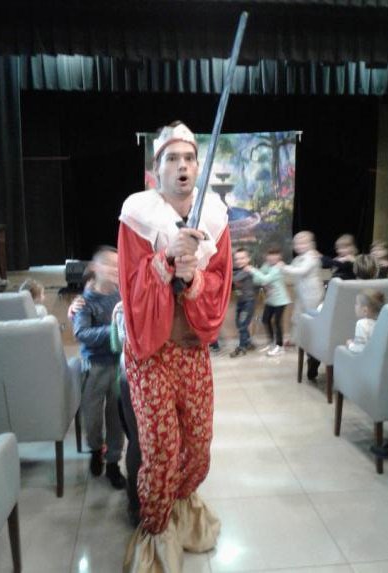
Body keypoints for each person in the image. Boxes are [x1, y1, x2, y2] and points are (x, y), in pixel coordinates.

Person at [118, 121, 232, 572]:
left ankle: (182, 512)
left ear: (198, 168)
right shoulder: (138, 216)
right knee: (161, 452)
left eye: (189, 158)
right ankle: (157, 529)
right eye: (172, 158)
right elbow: (132, 288)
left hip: (191, 350)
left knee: (198, 447)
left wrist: (195, 278)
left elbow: (220, 284)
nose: (181, 166)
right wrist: (165, 260)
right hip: (150, 355)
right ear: (156, 170)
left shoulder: (215, 218)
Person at [72, 246, 126, 490]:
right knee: (92, 417)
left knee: (116, 417)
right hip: (94, 366)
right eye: (109, 265)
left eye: (118, 265)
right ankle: (96, 449)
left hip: (118, 364)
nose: (115, 270)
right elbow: (81, 333)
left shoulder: (122, 293)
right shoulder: (85, 301)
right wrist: (114, 330)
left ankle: (113, 462)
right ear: (96, 268)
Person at [111, 300, 141, 527]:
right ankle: (137, 502)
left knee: (138, 442)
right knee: (140, 443)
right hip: (136, 379)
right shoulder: (124, 307)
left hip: (130, 377)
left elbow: (115, 345)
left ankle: (137, 502)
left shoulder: (121, 307)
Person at [280, 231, 324, 379]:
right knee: (298, 319)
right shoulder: (299, 258)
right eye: (296, 243)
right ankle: (302, 345)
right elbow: (292, 269)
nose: (298, 246)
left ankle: (313, 355)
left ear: (311, 244)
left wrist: (283, 267)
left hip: (312, 296)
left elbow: (301, 271)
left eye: (303, 243)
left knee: (311, 323)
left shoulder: (311, 257)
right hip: (302, 296)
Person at [247, 245, 291, 356]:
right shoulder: (266, 265)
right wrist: (263, 280)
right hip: (270, 300)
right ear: (266, 256)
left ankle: (280, 346)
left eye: (275, 255)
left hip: (281, 300)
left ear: (279, 257)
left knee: (277, 322)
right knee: (265, 320)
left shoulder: (278, 268)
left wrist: (253, 270)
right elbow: (257, 280)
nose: (272, 258)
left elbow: (265, 278)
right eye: (270, 255)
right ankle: (272, 343)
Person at [230, 247, 257, 357]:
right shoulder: (239, 270)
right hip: (241, 302)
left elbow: (233, 280)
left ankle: (242, 347)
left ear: (248, 259)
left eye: (242, 258)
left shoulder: (247, 270)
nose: (239, 261)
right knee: (239, 324)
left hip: (248, 303)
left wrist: (227, 272)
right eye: (237, 259)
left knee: (242, 325)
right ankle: (248, 342)